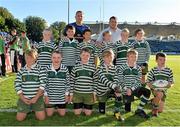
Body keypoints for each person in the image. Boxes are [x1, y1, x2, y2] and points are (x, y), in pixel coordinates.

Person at [14, 49, 46, 121]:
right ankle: (28, 108)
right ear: (24, 58)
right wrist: (23, 98)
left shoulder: (41, 69)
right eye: (27, 57)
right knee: (19, 119)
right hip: (24, 98)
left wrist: (36, 98)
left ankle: (34, 108)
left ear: (36, 58)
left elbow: (43, 85)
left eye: (31, 57)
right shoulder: (21, 71)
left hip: (37, 98)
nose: (29, 59)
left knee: (41, 118)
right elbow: (17, 85)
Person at [118, 49, 151, 119]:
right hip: (125, 90)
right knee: (127, 110)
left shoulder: (138, 68)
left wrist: (131, 89)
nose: (134, 58)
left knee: (147, 91)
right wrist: (127, 89)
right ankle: (119, 105)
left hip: (134, 89)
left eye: (135, 57)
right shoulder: (121, 67)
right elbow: (120, 81)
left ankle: (139, 109)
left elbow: (138, 81)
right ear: (127, 57)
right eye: (131, 56)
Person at [95, 49, 124, 121]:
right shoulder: (99, 68)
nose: (109, 59)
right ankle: (102, 103)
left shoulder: (115, 68)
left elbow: (116, 80)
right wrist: (114, 86)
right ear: (103, 58)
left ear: (113, 57)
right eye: (107, 57)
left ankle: (117, 112)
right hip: (101, 91)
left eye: (110, 57)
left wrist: (117, 88)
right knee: (102, 112)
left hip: (111, 90)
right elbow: (103, 79)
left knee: (119, 93)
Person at [69, 48, 96, 116]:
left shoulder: (93, 68)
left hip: (89, 93)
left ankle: (85, 106)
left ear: (90, 57)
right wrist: (71, 94)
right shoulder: (75, 67)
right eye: (83, 55)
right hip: (77, 93)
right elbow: (71, 81)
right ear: (80, 56)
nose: (85, 57)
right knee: (77, 114)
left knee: (88, 114)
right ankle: (80, 105)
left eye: (87, 55)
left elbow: (95, 82)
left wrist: (94, 94)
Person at [147, 52, 174, 116]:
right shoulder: (153, 70)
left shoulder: (169, 70)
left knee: (160, 110)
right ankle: (155, 108)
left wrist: (169, 85)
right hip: (155, 90)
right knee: (159, 94)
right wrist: (153, 87)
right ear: (156, 60)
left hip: (164, 90)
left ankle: (152, 101)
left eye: (164, 60)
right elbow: (148, 82)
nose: (163, 61)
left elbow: (171, 82)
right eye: (160, 59)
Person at [44, 51, 70, 117]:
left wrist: (66, 94)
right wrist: (46, 95)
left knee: (62, 114)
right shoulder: (47, 69)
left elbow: (67, 83)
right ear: (51, 58)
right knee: (49, 115)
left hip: (61, 97)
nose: (56, 59)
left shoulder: (65, 69)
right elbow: (44, 83)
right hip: (50, 96)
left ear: (61, 58)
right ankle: (53, 107)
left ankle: (58, 106)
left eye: (58, 57)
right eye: (54, 57)